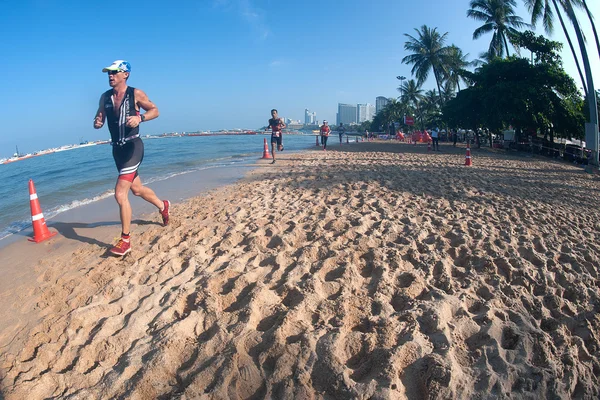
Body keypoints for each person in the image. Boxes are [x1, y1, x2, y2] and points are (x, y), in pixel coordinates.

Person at [93, 60, 170, 256]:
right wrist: (98, 121)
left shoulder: (136, 93)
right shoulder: (105, 97)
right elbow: (99, 116)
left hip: (133, 147)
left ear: (125, 74)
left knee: (120, 194)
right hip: (117, 150)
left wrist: (140, 118)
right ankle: (163, 206)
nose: (110, 76)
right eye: (108, 73)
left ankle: (125, 240)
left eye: (114, 72)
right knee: (136, 189)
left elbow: (155, 110)